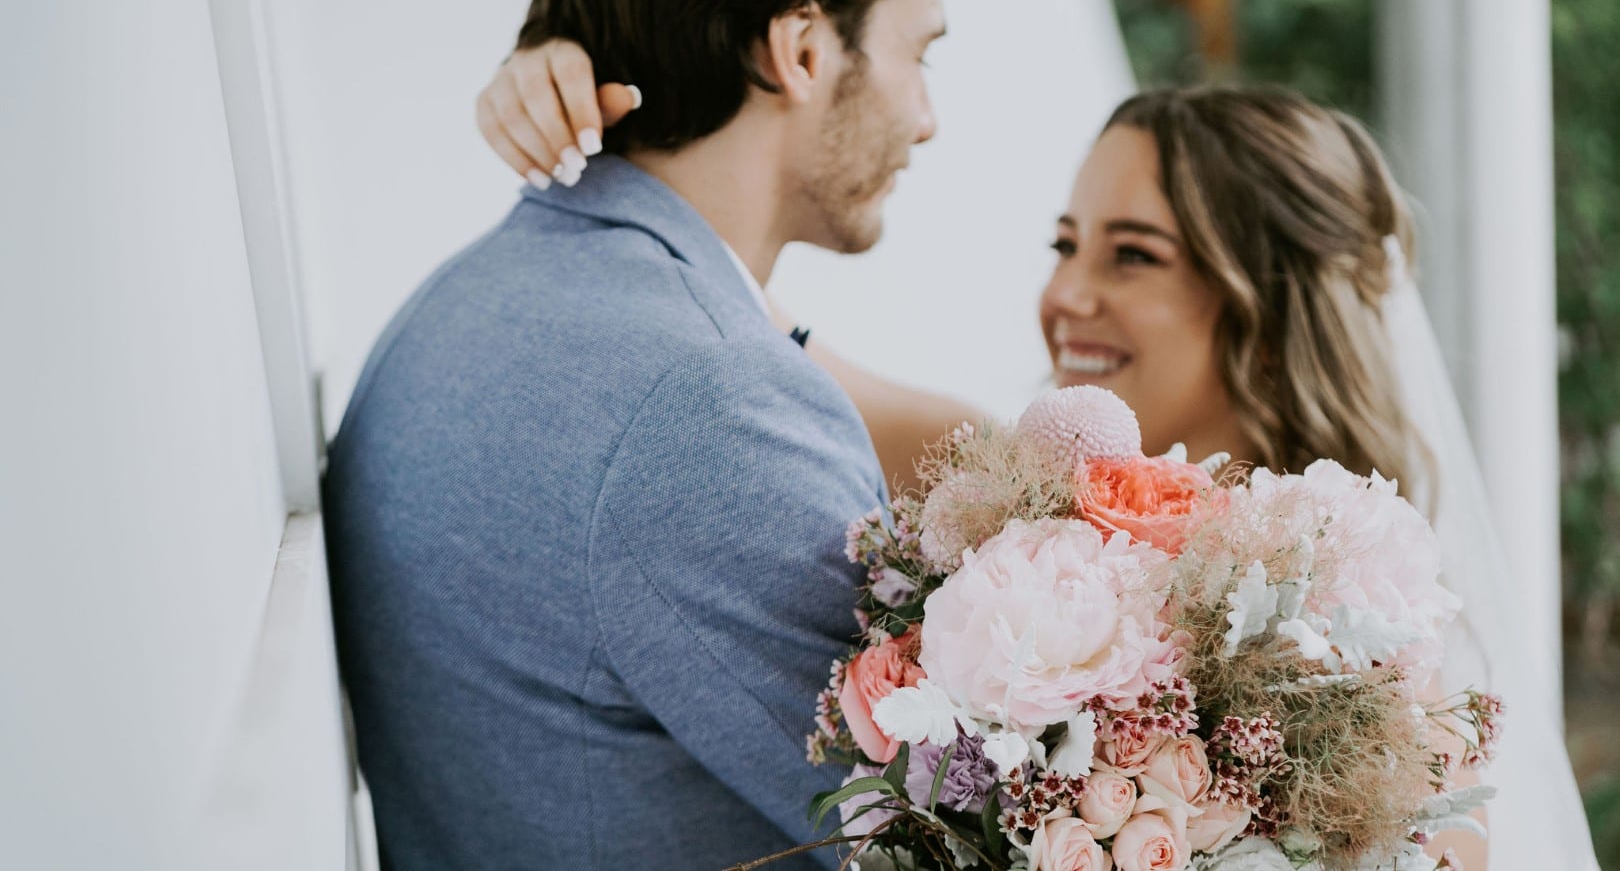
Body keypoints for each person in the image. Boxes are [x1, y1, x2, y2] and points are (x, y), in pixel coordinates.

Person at [479, 52, 1603, 866]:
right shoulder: (1016, 491)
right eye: (1066, 245)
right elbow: (742, 317)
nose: (1069, 296)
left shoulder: (1384, 655)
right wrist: (572, 94)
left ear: (1265, 303)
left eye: (1132, 255)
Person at [322, 0, 964, 867]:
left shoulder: (472, 296)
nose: (926, 116)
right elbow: (940, 834)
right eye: (919, 53)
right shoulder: (709, 407)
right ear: (802, 50)